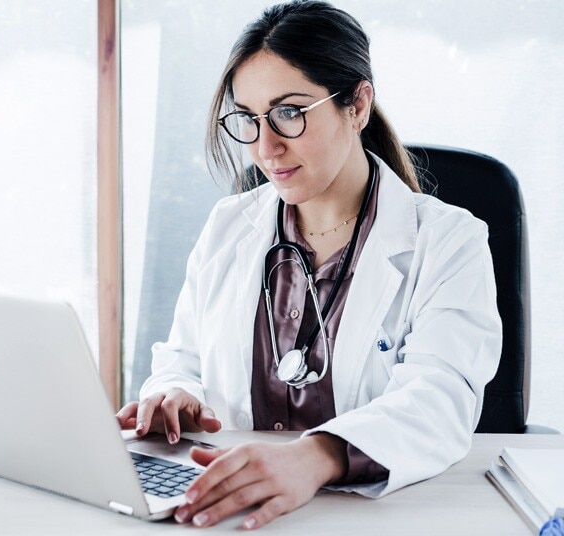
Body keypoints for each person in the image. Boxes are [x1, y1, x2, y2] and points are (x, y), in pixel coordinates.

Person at [116, 0, 502, 530]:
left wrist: (314, 457)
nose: (266, 146)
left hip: (376, 515)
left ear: (358, 105)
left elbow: (440, 398)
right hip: (235, 508)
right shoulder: (228, 227)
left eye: (289, 113)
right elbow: (184, 359)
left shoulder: (448, 241)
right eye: (248, 120)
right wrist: (176, 395)